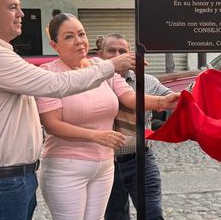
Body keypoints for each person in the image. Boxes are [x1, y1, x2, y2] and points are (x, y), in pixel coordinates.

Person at [0, 0, 136, 220]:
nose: (21, 14)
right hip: (4, 179)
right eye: (12, 7)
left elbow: (129, 96)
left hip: (17, 177)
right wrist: (110, 65)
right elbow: (55, 85)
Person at [37, 14, 178, 220]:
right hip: (66, 167)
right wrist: (95, 136)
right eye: (68, 37)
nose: (78, 41)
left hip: (104, 165)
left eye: (81, 34)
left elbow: (129, 97)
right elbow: (52, 124)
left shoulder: (99, 66)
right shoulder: (49, 73)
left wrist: (162, 102)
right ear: (54, 44)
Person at [99, 33, 176, 220]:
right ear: (101, 54)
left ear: (130, 54)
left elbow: (173, 101)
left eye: (122, 51)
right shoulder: (91, 81)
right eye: (111, 51)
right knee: (113, 216)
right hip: (104, 163)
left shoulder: (147, 81)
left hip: (140, 160)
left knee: (152, 214)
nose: (117, 54)